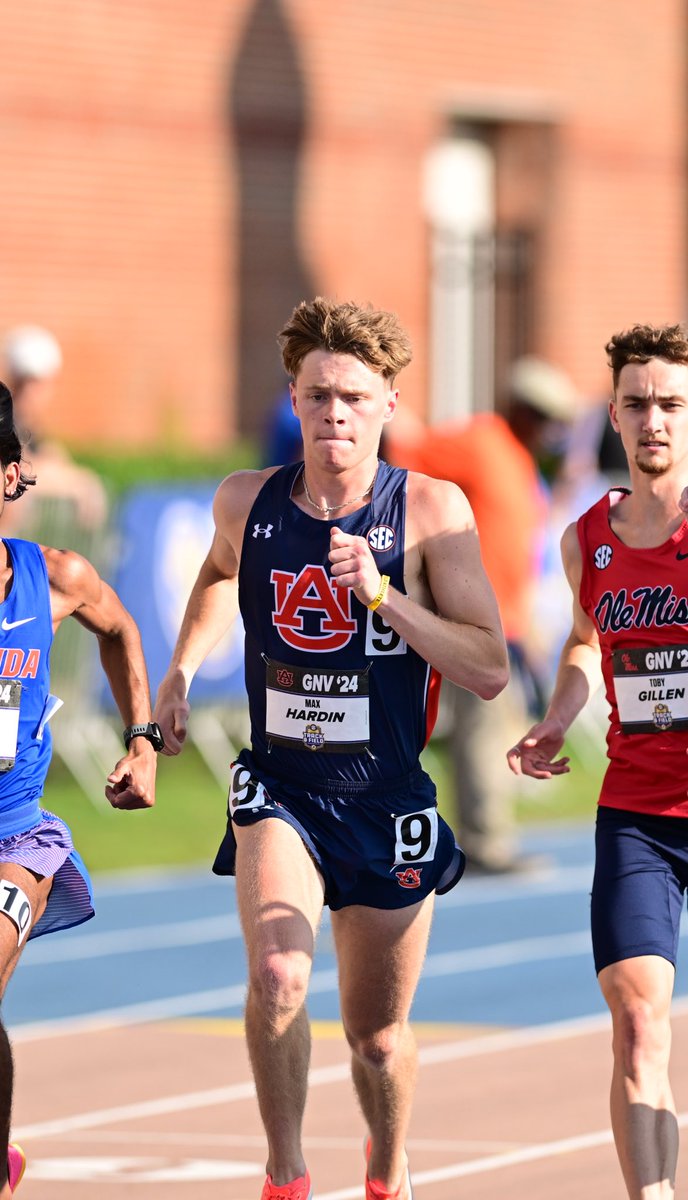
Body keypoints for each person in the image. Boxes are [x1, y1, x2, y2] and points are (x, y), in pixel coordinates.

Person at [154, 296, 508, 1200]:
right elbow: (213, 577)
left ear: (390, 402)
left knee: (377, 1039)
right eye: (318, 396)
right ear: (295, 399)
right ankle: (286, 1176)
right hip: (281, 783)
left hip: (384, 798)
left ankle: (387, 1171)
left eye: (353, 396)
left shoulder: (430, 509)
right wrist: (180, 677)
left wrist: (386, 598)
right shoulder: (248, 499)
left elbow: (491, 668)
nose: (334, 414)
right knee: (277, 973)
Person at [507, 322, 688, 1199]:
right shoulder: (587, 540)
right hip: (641, 815)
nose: (654, 421)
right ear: (612, 417)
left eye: (672, 405)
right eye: (637, 404)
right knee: (637, 1020)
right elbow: (584, 645)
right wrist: (555, 719)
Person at [0, 380, 160, 1196]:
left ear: (9, 478)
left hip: (16, 836)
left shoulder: (54, 577)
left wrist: (144, 739)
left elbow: (123, 626)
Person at [387, 355, 576, 872]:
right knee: (478, 727)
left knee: (477, 728)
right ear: (520, 409)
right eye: (543, 417)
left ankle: (467, 834)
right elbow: (405, 449)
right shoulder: (482, 441)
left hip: (503, 622)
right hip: (461, 618)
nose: (550, 431)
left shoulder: (518, 458)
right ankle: (482, 840)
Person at [0, 326, 108, 536]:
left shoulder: (30, 427)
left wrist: (82, 480)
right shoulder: (7, 423)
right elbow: (25, 469)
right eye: (30, 383)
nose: (35, 393)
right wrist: (78, 484)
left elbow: (52, 457)